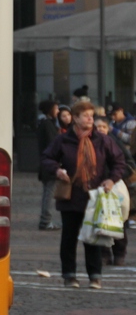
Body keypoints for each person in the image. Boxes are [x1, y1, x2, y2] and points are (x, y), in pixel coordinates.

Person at [42, 101, 128, 289]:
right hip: (71, 195)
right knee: (69, 237)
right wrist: (57, 171)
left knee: (93, 238)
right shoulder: (63, 140)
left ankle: (95, 276)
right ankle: (69, 275)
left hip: (95, 197)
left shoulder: (102, 140)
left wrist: (112, 179)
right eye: (85, 115)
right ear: (75, 118)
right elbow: (46, 158)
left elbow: (119, 161)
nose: (90, 118)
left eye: (91, 115)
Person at [96, 116, 131, 266]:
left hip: (114, 188)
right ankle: (104, 254)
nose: (100, 130)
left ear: (108, 128)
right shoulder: (89, 143)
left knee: (118, 222)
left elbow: (128, 164)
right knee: (99, 223)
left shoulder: (115, 143)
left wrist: (114, 177)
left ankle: (119, 253)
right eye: (97, 127)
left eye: (103, 127)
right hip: (96, 188)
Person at [37, 100, 62, 230]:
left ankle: (45, 219)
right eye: (56, 109)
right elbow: (53, 144)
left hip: (47, 163)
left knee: (48, 191)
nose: (58, 111)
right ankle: (45, 220)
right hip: (50, 164)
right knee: (49, 192)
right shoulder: (47, 124)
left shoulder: (46, 123)